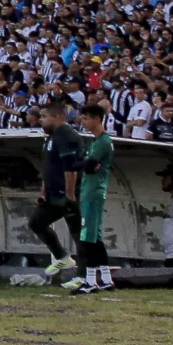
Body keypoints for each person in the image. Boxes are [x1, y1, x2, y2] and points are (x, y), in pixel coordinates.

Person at [63, 106, 118, 294]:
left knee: (87, 238)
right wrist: (85, 163)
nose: (83, 122)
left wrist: (85, 164)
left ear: (97, 119)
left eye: (86, 118)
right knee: (95, 237)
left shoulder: (103, 142)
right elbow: (82, 164)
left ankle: (90, 281)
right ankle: (106, 280)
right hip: (90, 191)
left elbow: (86, 166)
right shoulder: (95, 142)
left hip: (93, 193)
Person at [30, 97, 83, 282]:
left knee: (78, 234)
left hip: (67, 194)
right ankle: (62, 257)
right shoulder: (51, 138)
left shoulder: (66, 135)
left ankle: (84, 276)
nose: (41, 120)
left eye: (44, 116)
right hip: (53, 195)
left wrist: (70, 194)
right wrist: (44, 190)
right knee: (36, 223)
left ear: (59, 116)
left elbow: (70, 168)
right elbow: (49, 167)